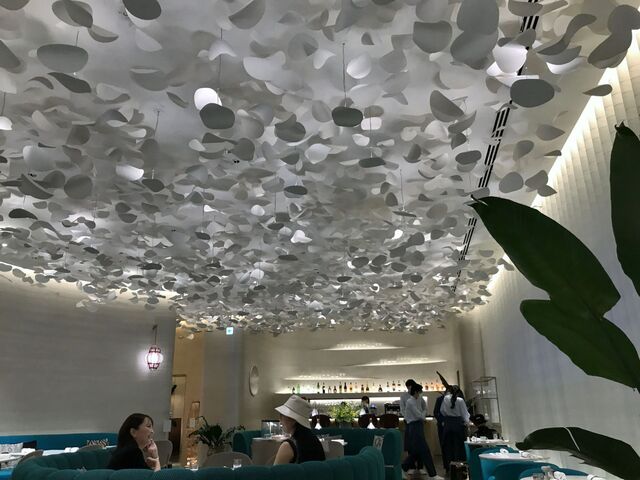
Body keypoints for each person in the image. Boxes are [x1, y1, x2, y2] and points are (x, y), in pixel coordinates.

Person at [402, 383, 442, 480]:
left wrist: (422, 415)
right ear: (416, 392)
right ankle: (433, 475)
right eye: (420, 392)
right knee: (424, 450)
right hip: (414, 427)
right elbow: (418, 415)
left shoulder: (417, 400)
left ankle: (402, 468)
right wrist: (423, 415)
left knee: (416, 452)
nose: (420, 394)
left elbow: (423, 411)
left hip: (417, 426)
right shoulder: (410, 402)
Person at [274, 395, 326, 464]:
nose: (280, 420)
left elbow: (275, 471)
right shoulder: (315, 441)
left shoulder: (288, 446)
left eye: (281, 416)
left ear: (292, 420)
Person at [439, 385, 470, 473]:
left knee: (448, 446)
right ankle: (459, 468)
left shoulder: (445, 398)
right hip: (457, 424)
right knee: (458, 446)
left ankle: (450, 467)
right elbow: (464, 414)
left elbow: (442, 411)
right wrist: (467, 422)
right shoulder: (460, 400)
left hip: (448, 424)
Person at [433, 386, 449, 468]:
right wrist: (441, 421)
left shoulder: (457, 399)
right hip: (442, 426)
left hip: (451, 425)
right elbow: (435, 412)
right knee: (443, 445)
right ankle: (446, 465)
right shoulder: (440, 399)